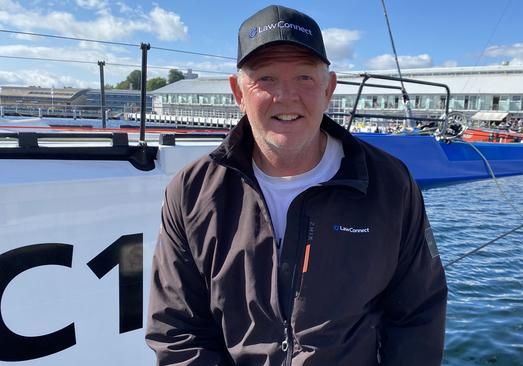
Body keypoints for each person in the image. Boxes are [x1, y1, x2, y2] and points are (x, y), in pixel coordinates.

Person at [145, 5, 447, 366]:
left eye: (304, 77)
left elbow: (417, 316)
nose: (285, 96)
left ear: (328, 88)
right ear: (238, 92)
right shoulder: (192, 191)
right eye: (266, 78)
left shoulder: (390, 185)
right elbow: (178, 331)